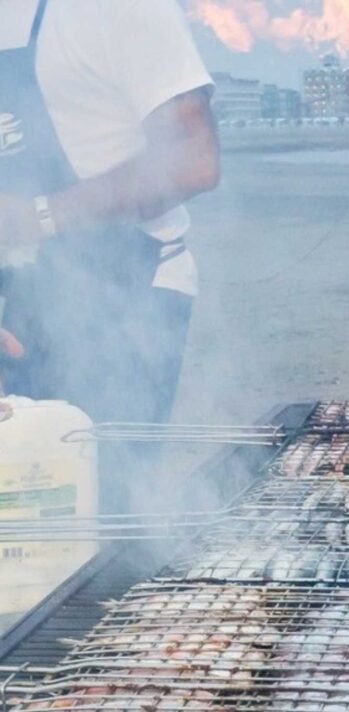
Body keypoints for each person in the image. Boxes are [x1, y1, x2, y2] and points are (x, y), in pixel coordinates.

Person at [0, 0, 219, 510]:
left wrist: (41, 215)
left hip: (125, 294)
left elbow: (194, 159)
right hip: (14, 302)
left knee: (93, 507)